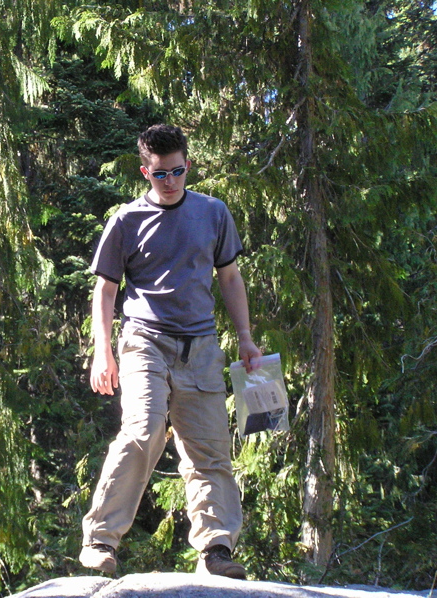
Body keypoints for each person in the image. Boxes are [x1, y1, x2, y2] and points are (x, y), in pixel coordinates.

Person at [79, 124, 262, 579]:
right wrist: (103, 353)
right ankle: (100, 541)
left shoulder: (213, 213)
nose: (171, 181)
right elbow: (105, 290)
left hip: (201, 347)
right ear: (146, 172)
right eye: (161, 174)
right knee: (142, 430)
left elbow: (230, 277)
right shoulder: (126, 221)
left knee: (210, 450)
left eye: (178, 171)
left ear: (188, 165)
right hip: (144, 341)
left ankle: (216, 549)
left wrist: (245, 336)